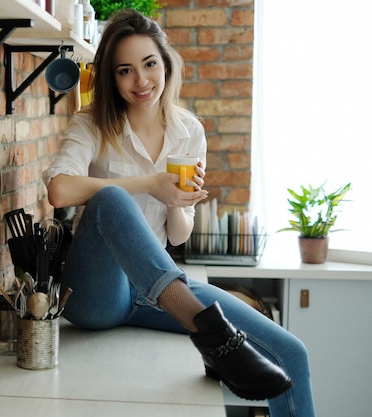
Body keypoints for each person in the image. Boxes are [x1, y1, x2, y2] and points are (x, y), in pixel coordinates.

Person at [42, 9, 315, 417]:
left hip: (157, 288)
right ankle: (215, 339)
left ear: (166, 64)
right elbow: (60, 190)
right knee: (111, 199)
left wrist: (177, 203)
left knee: (290, 352)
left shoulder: (189, 132)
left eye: (149, 64)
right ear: (111, 77)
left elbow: (178, 237)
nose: (141, 81)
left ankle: (218, 342)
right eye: (125, 70)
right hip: (97, 294)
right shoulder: (92, 124)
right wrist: (150, 183)